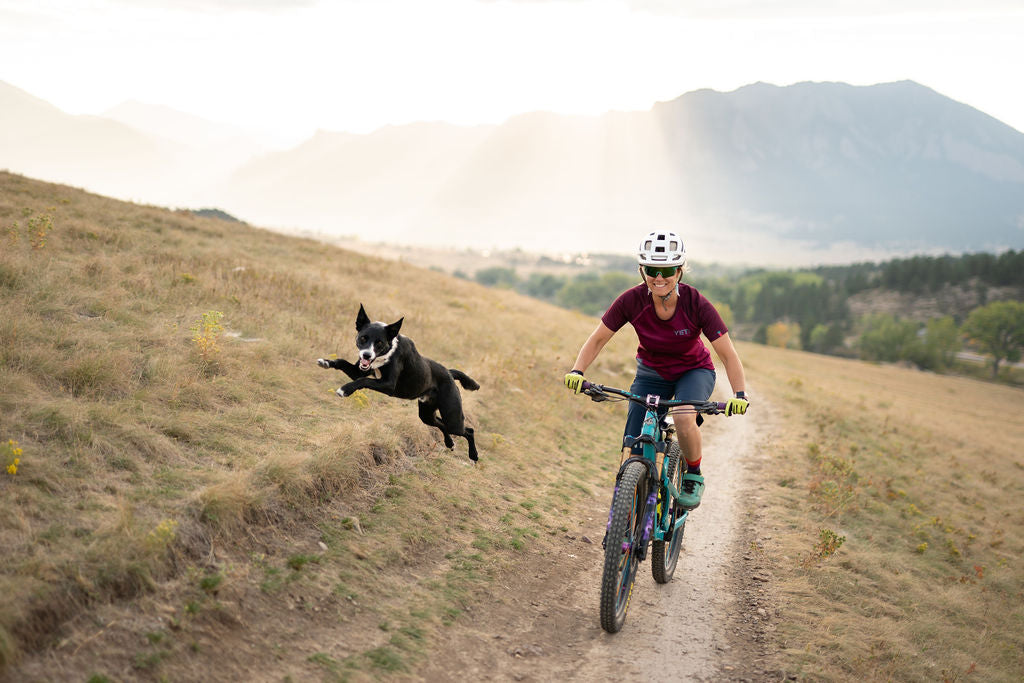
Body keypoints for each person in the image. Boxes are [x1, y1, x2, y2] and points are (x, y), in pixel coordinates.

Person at [563, 230, 748, 509]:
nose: (659, 277)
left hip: (693, 371)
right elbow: (599, 337)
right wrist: (577, 371)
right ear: (642, 270)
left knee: (684, 418)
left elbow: (727, 353)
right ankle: (627, 516)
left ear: (679, 271)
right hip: (651, 373)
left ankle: (693, 476)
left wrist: (740, 394)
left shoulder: (696, 303)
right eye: (652, 269)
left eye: (667, 270)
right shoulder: (631, 301)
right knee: (633, 441)